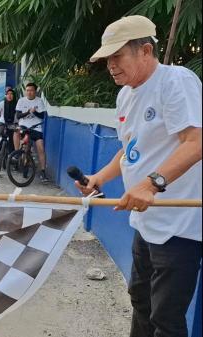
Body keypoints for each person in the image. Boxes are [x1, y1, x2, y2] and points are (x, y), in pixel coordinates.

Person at [76, 16, 202, 337]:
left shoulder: (176, 81)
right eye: (108, 60)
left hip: (179, 226)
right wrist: (99, 179)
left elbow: (196, 141)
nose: (111, 66)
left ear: (146, 51)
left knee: (166, 318)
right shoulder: (126, 95)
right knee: (140, 303)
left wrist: (152, 184)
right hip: (145, 224)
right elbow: (129, 149)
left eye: (117, 57)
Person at [16, 82, 48, 182]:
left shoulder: (39, 101)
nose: (29, 92)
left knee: (41, 148)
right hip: (24, 126)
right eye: (27, 90)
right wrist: (28, 112)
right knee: (23, 139)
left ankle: (43, 171)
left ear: (35, 92)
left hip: (36, 127)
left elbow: (42, 116)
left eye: (31, 90)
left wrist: (35, 112)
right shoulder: (21, 101)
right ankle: (20, 155)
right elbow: (18, 116)